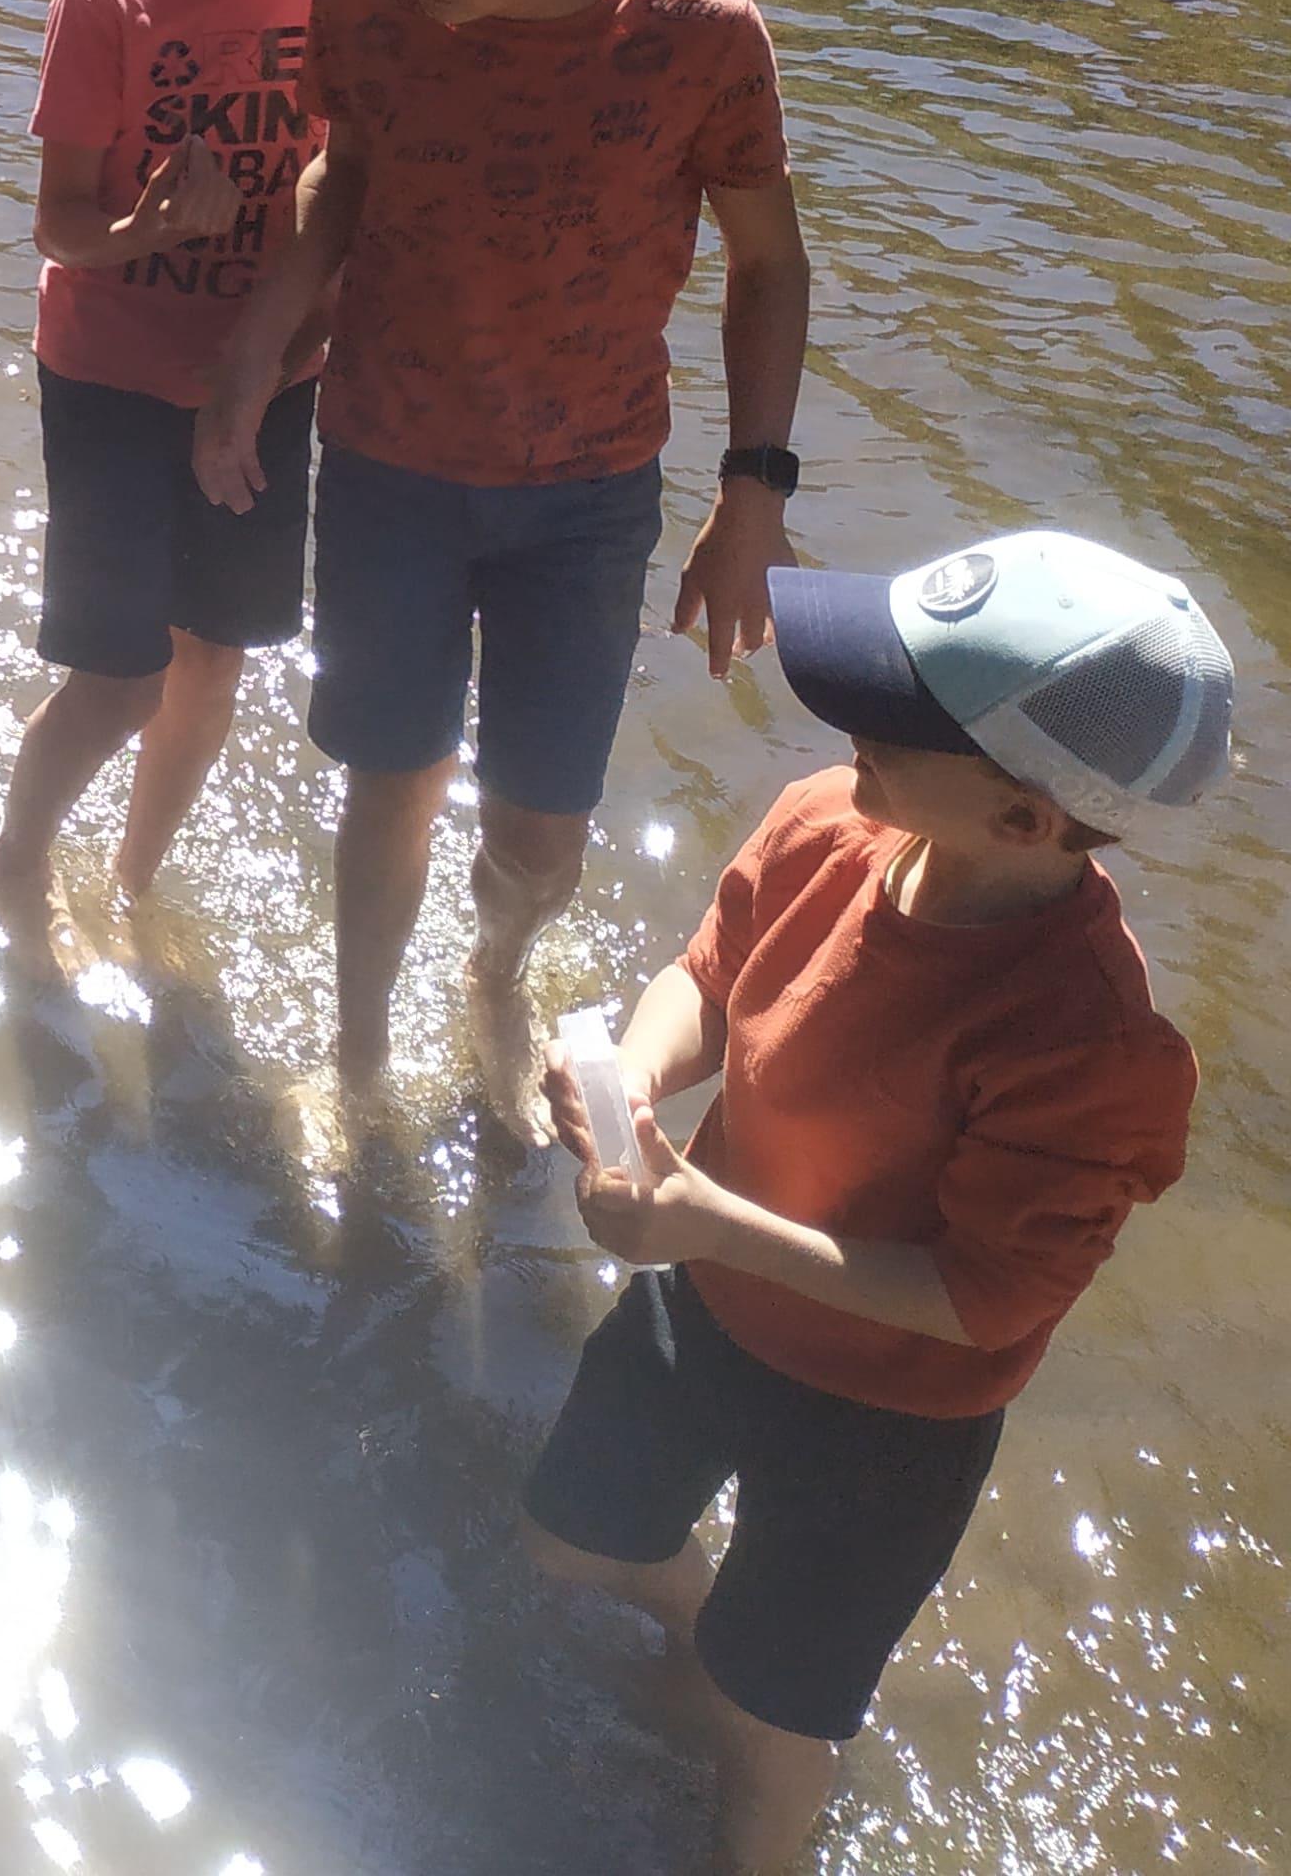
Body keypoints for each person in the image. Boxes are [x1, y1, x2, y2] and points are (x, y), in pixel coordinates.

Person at [522, 529, 1231, 1873]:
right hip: (709, 1301)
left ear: (1024, 819)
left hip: (892, 1417)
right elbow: (709, 973)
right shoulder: (829, 823)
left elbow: (982, 1300)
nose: (840, 717)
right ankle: (691, 1649)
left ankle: (765, 1843)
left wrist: (704, 1220)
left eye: (891, 715)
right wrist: (633, 1068)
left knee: (774, 1701)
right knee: (577, 1534)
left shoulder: (1089, 1047)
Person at [193, 0, 811, 1101]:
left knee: (542, 833)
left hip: (587, 490)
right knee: (389, 777)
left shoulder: (704, 37)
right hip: (385, 460)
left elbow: (770, 262)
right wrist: (254, 351)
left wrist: (753, 494)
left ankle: (493, 977)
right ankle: (356, 1057)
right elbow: (344, 173)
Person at [0, 0, 367, 976]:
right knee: (121, 675)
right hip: (114, 374)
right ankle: (20, 856)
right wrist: (148, 227)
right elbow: (59, 230)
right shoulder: (109, 0)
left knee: (216, 658)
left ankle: (136, 883)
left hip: (275, 375)